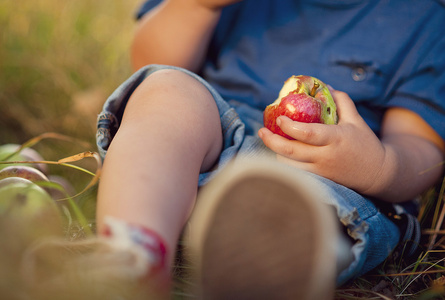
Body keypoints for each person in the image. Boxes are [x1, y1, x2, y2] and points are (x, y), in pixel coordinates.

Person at [94, 0, 445, 298]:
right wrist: (198, 6)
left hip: (324, 179)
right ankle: (135, 249)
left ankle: (265, 267)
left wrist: (376, 168)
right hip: (208, 143)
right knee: (168, 91)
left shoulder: (424, 20)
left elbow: (421, 149)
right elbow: (148, 61)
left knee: (312, 217)